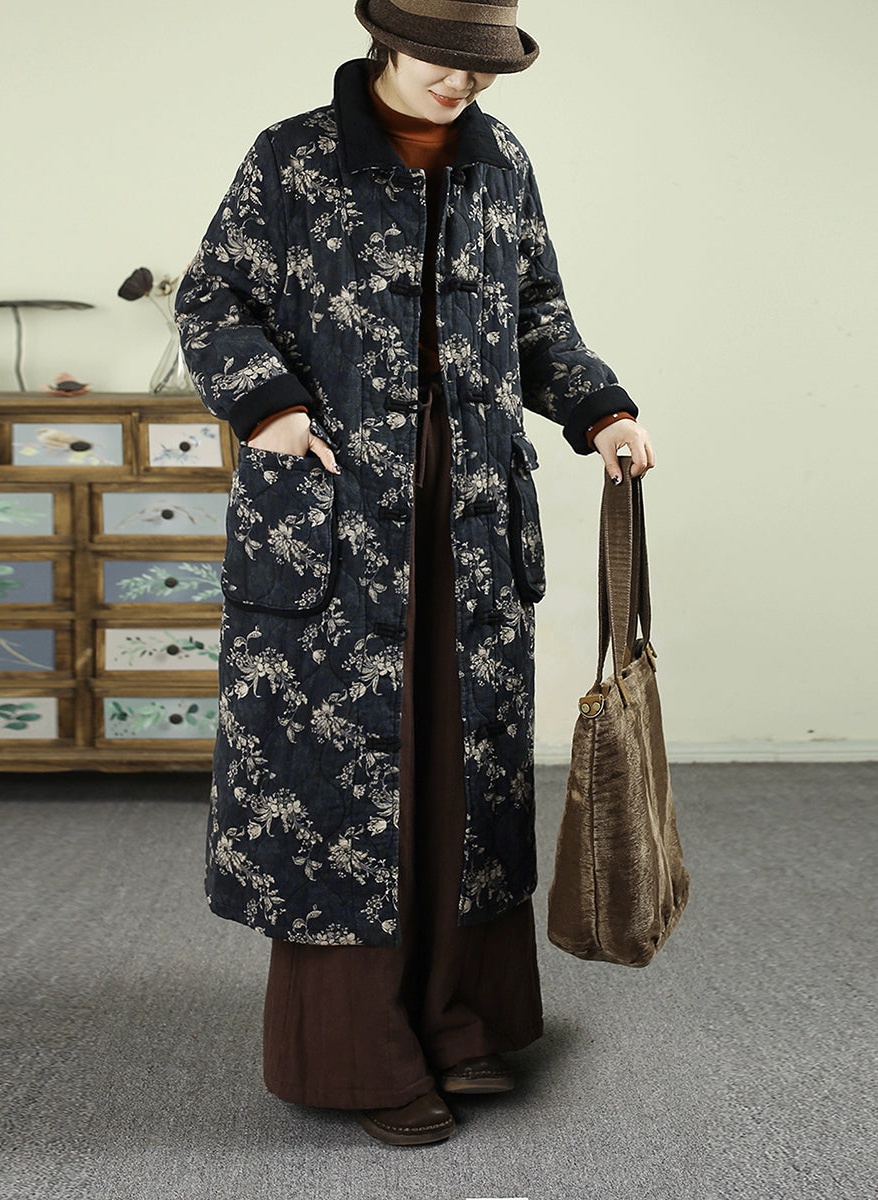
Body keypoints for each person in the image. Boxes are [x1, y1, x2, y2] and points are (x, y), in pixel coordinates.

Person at [175, 0, 654, 1147]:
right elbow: (213, 300)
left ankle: (457, 1020)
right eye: (447, 60)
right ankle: (359, 1055)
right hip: (334, 522)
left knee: (461, 767)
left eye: (482, 69)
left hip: (470, 517)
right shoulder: (293, 156)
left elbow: (537, 314)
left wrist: (601, 408)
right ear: (390, 37)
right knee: (343, 784)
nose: (462, 84)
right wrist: (271, 408)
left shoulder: (500, 163)